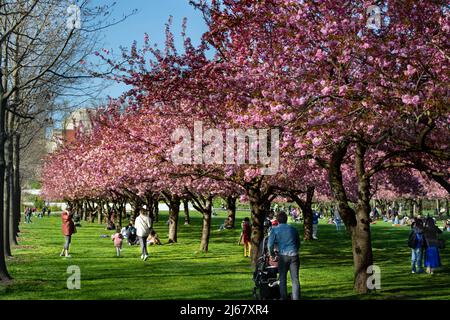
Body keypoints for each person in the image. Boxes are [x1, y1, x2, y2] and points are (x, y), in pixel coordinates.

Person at [268, 211, 300, 300]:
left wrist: (272, 255)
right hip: (294, 255)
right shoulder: (293, 229)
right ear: (286, 219)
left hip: (283, 255)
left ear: (277, 220)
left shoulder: (274, 229)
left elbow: (270, 244)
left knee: (282, 279)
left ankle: (283, 297)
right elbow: (298, 243)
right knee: (295, 279)